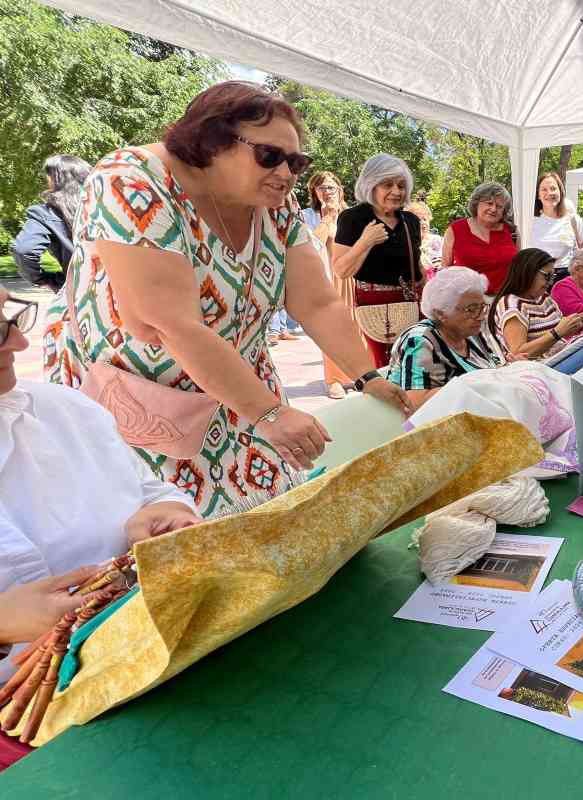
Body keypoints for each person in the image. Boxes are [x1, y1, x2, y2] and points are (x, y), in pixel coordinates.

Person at [44, 81, 412, 519]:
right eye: (270, 156)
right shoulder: (130, 180)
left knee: (274, 520)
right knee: (170, 535)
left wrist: (367, 377)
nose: (287, 173)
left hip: (241, 387)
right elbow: (168, 324)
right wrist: (271, 414)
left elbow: (317, 303)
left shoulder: (275, 200)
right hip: (143, 400)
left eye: (296, 161)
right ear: (212, 141)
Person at [1, 283, 201, 685]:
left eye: (8, 318)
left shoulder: (66, 409)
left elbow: (152, 490)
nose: (20, 342)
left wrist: (168, 515)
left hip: (151, 660)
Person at [332, 154, 424, 369]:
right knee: (385, 367)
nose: (396, 191)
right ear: (371, 185)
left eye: (401, 185)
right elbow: (341, 270)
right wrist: (366, 241)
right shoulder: (352, 218)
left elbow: (417, 265)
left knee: (416, 364)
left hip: (410, 302)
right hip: (373, 304)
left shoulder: (410, 220)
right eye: (387, 184)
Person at [388, 267, 499, 409]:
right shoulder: (421, 339)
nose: (481, 316)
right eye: (471, 309)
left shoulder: (471, 333)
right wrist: (481, 384)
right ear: (441, 313)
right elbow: (415, 401)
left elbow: (493, 370)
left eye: (482, 307)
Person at [299, 170, 354, 398]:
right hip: (326, 278)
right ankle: (334, 379)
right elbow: (312, 245)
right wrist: (327, 218)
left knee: (355, 327)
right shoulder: (307, 216)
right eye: (322, 188)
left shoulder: (352, 214)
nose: (327, 192)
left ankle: (354, 374)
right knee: (331, 328)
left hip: (352, 276)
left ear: (340, 189)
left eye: (331, 187)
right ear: (315, 192)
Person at [488, 248, 583, 359]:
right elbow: (518, 353)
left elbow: (560, 327)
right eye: (547, 276)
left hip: (562, 357)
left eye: (552, 277)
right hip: (541, 369)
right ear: (528, 273)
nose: (550, 282)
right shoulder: (511, 305)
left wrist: (580, 321)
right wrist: (556, 334)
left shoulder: (543, 297)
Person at [11, 155, 91, 292]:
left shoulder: (45, 213)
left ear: (55, 180)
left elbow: (23, 250)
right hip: (122, 287)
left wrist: (46, 280)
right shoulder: (105, 206)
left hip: (79, 292)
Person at [441, 182, 519, 295]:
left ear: (504, 211)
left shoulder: (512, 232)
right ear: (477, 204)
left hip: (504, 302)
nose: (493, 209)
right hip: (467, 302)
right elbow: (445, 269)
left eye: (499, 206)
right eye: (489, 203)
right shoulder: (455, 230)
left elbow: (519, 269)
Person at [530, 172, 583, 283]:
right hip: (537, 279)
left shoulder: (573, 220)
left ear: (561, 191)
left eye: (553, 188)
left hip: (566, 280)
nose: (549, 193)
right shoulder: (531, 221)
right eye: (544, 189)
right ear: (538, 194)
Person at [405, 200, 443, 277]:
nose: (423, 223)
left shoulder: (437, 240)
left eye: (425, 219)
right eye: (418, 220)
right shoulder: (406, 243)